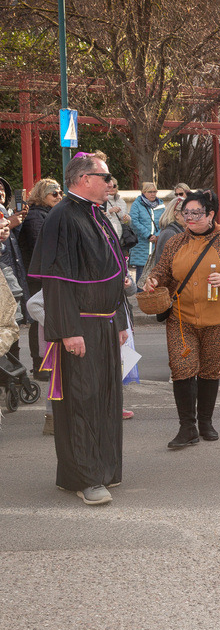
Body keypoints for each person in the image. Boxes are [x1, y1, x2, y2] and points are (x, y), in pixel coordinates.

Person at [28, 153, 130, 506]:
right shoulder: (63, 216)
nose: (110, 183)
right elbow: (55, 282)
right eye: (106, 177)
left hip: (103, 322)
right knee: (82, 402)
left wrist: (117, 320)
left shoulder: (94, 212)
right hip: (80, 327)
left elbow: (112, 273)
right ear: (84, 178)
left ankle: (103, 468)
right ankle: (85, 478)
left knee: (105, 400)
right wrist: (69, 331)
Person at [144, 191, 220, 449]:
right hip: (181, 318)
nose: (189, 218)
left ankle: (205, 422)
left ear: (211, 214)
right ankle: (187, 427)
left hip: (219, 319)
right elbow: (162, 271)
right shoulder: (174, 242)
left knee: (209, 371)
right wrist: (154, 281)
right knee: (182, 370)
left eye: (196, 213)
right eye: (186, 213)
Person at [19, 178, 62, 379]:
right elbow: (43, 247)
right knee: (39, 321)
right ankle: (40, 365)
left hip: (46, 274)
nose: (59, 196)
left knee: (43, 321)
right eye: (54, 193)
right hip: (39, 276)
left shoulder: (49, 214)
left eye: (61, 193)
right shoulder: (36, 216)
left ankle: (46, 363)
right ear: (42, 195)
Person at [128, 181, 164, 288]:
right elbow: (134, 222)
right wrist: (148, 235)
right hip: (142, 246)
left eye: (155, 191)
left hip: (155, 245)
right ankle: (141, 300)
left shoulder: (161, 205)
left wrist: (157, 235)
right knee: (141, 276)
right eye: (150, 192)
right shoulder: (136, 204)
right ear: (144, 192)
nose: (153, 194)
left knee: (155, 276)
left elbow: (164, 221)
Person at [153, 196, 185, 266]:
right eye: (186, 212)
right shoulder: (170, 233)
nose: (190, 216)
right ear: (176, 214)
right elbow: (167, 264)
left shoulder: (179, 231)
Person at [103, 177, 131, 242]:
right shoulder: (101, 200)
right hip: (107, 237)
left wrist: (127, 219)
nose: (112, 188)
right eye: (109, 186)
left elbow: (126, 223)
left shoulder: (122, 201)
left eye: (114, 186)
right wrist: (110, 211)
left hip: (120, 238)